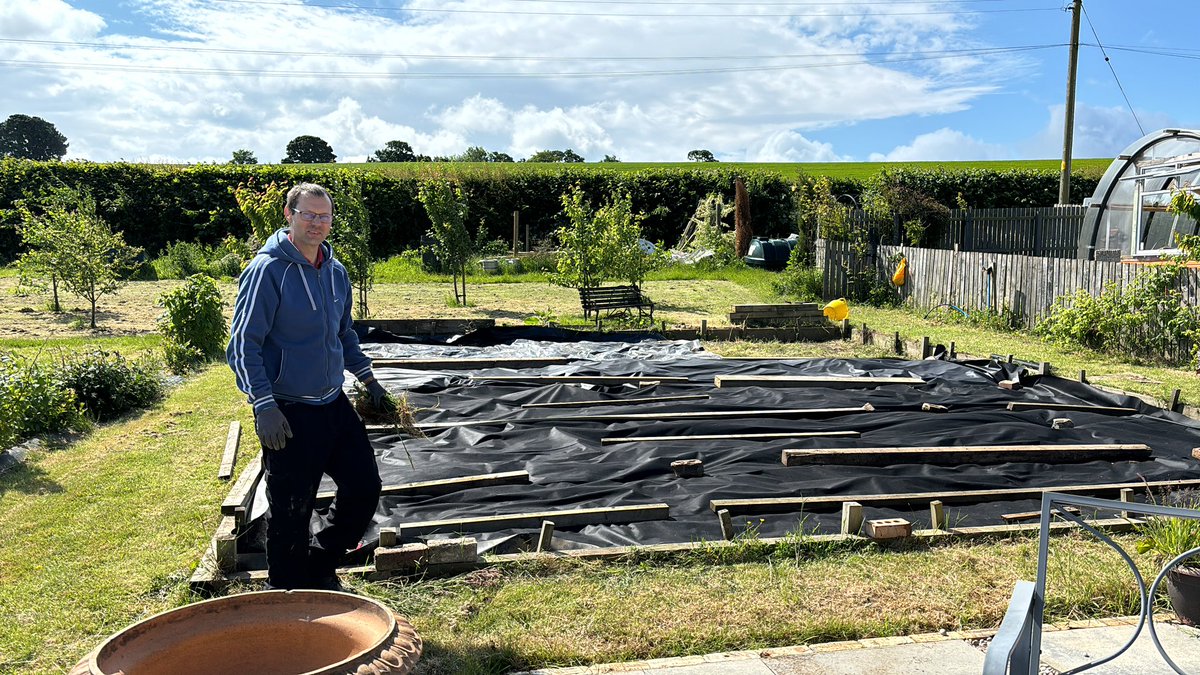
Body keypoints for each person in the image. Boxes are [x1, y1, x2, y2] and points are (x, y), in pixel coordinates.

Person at [227, 182, 386, 591]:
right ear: (289, 215)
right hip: (288, 410)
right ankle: (286, 591)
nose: (317, 223)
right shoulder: (267, 271)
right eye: (308, 214)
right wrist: (264, 405)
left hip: (333, 403)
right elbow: (244, 345)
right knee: (291, 509)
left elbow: (343, 333)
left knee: (364, 487)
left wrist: (368, 378)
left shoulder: (335, 271)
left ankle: (320, 563)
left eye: (324, 216)